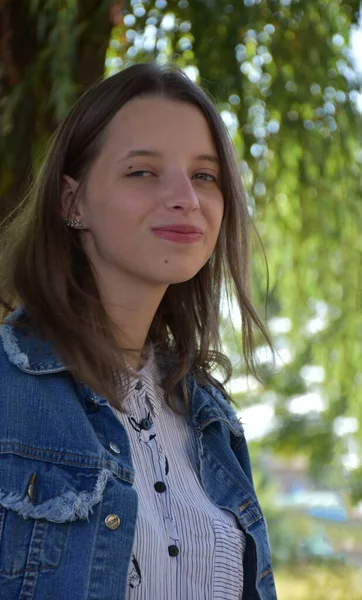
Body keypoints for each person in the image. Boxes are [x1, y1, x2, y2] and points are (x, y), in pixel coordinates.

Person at [0, 62, 277, 600]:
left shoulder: (212, 420)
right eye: (143, 171)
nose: (186, 198)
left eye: (204, 175)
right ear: (72, 202)